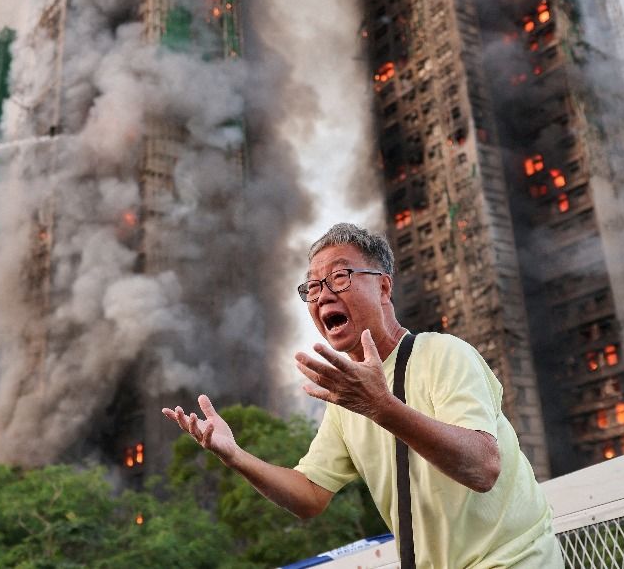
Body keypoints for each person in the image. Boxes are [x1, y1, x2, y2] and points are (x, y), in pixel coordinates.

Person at [163, 223, 564, 567]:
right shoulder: (347, 400)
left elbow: (482, 467)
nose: (322, 295)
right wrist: (235, 455)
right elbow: (310, 496)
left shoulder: (443, 354)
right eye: (313, 287)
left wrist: (382, 406)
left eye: (340, 278)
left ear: (384, 286)